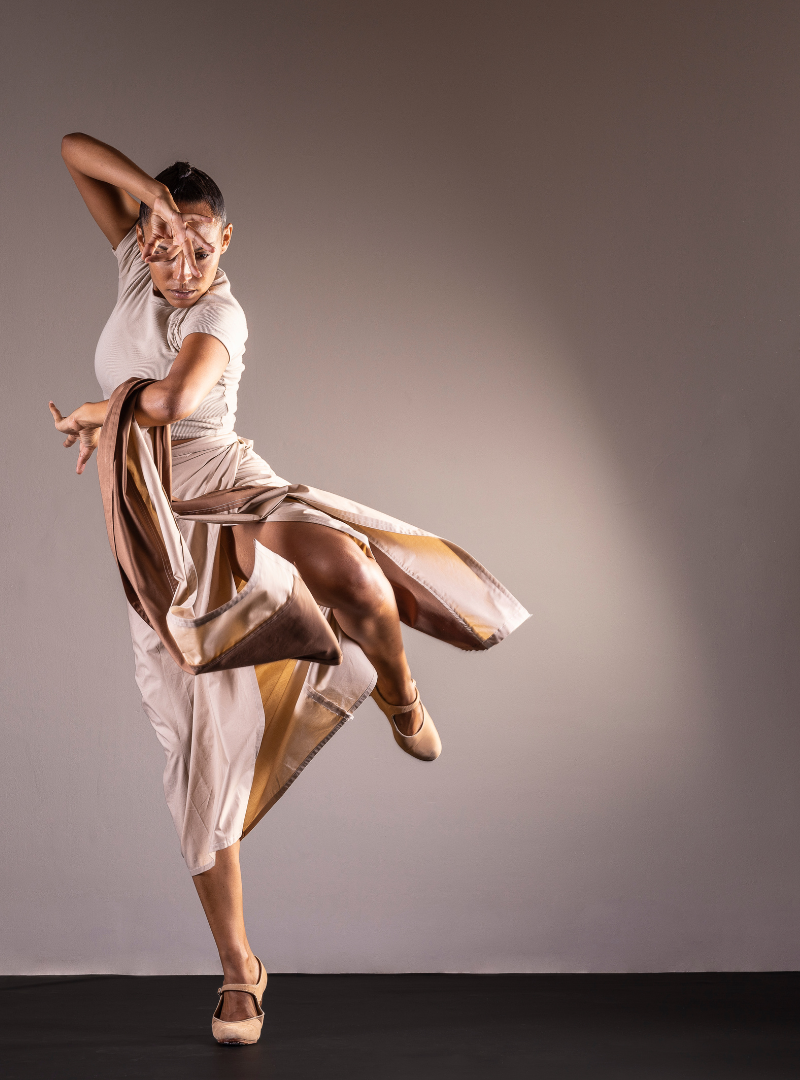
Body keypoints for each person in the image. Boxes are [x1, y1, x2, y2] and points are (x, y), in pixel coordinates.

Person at [49, 133, 529, 1045]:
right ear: (141, 239)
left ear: (226, 240)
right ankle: (241, 973)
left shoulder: (219, 313)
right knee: (198, 764)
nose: (180, 265)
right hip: (158, 535)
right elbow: (74, 149)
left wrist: (101, 412)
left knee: (348, 568)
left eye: (198, 245)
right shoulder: (136, 272)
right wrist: (151, 198)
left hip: (224, 484)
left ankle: (400, 693)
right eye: (163, 245)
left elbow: (172, 404)